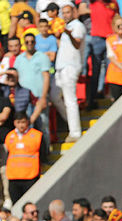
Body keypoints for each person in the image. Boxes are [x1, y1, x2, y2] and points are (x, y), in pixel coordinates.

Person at [54, 4, 85, 143]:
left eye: (68, 12)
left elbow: (77, 44)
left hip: (70, 66)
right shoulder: (65, 27)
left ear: (74, 12)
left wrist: (68, 33)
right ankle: (72, 122)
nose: (65, 15)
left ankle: (75, 132)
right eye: (63, 13)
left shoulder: (77, 25)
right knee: (55, 96)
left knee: (70, 100)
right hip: (60, 67)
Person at [4, 112, 42, 203]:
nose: (21, 125)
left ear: (27, 122)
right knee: (16, 204)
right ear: (14, 123)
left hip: (30, 176)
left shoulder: (37, 135)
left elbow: (43, 154)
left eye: (23, 122)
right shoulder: (9, 136)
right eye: (18, 122)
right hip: (13, 177)